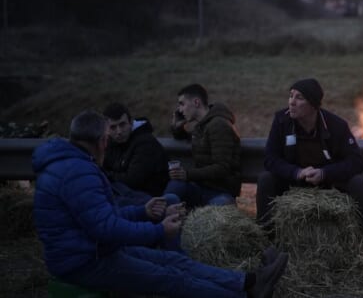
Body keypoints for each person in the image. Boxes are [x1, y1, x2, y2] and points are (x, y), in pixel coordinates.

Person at [32, 110, 288, 298]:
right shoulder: (78, 172)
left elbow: (101, 217)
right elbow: (105, 228)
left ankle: (250, 281)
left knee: (175, 261)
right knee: (170, 278)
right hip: (83, 261)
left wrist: (142, 211)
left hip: (96, 250)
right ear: (101, 142)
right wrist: (158, 230)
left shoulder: (72, 164)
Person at [257, 78, 363, 233]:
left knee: (358, 182)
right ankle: (266, 236)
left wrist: (325, 173)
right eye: (291, 96)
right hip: (294, 181)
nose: (292, 102)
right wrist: (296, 172)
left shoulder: (336, 125)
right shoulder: (281, 121)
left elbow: (356, 161)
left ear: (313, 104)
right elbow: (270, 159)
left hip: (329, 184)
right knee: (266, 179)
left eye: (299, 98)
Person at [165, 84, 242, 207]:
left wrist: (188, 174)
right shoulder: (201, 126)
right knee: (175, 186)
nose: (180, 110)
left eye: (182, 104)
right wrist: (177, 127)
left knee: (215, 211)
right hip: (200, 188)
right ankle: (162, 222)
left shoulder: (218, 125)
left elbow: (222, 168)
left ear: (196, 102)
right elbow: (187, 138)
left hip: (221, 193)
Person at [102, 102, 171, 206]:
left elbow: (132, 180)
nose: (119, 131)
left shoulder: (145, 142)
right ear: (106, 129)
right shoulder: (110, 142)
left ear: (130, 122)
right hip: (129, 196)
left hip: (151, 199)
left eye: (122, 124)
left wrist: (107, 175)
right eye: (113, 127)